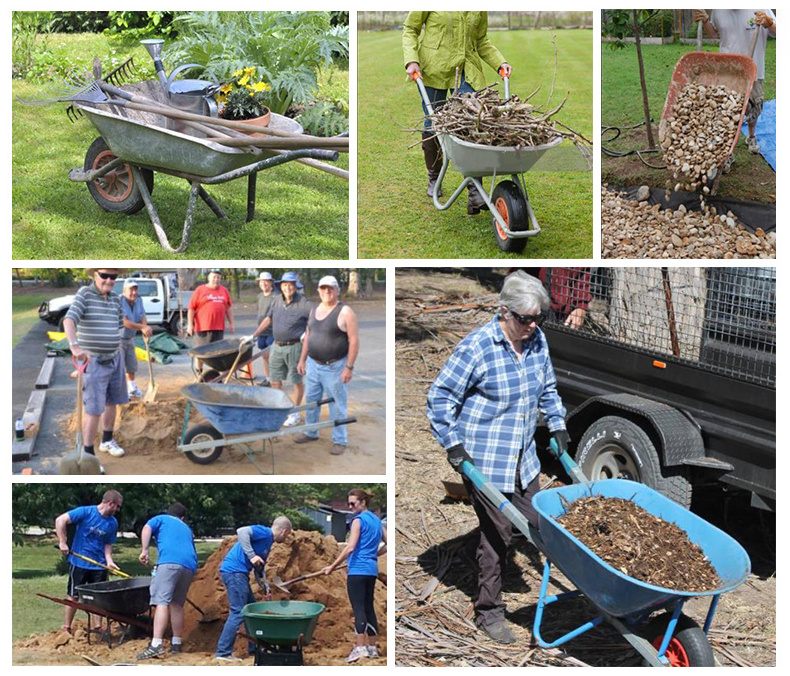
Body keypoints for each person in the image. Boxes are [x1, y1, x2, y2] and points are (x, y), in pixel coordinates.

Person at [426, 271, 569, 644]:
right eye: (525, 318)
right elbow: (440, 398)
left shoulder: (537, 341)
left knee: (540, 521)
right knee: (499, 533)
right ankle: (488, 610)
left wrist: (557, 424)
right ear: (504, 312)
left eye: (539, 317)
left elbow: (549, 388)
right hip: (485, 459)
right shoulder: (477, 348)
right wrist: (453, 446)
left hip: (523, 458)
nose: (533, 325)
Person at [403, 11, 512, 212]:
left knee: (472, 122)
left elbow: (481, 40)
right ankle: (434, 178)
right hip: (434, 66)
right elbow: (411, 29)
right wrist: (411, 60)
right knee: (433, 122)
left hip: (467, 70)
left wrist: (500, 62)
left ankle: (474, 191)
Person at [63, 267, 128, 460]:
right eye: (104, 275)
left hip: (115, 358)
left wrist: (117, 346)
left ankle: (107, 441)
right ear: (94, 275)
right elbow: (69, 321)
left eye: (113, 276)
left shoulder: (116, 298)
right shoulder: (85, 294)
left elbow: (119, 326)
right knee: (93, 409)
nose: (109, 280)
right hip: (94, 361)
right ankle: (88, 454)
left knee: (112, 402)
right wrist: (74, 346)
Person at [695, 9, 776, 155]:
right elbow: (714, 34)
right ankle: (727, 148)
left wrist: (769, 23)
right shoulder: (719, 10)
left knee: (754, 106)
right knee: (727, 109)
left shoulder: (761, 7)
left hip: (754, 68)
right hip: (727, 70)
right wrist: (706, 20)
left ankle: (751, 136)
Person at [295, 275, 359, 455]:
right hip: (313, 365)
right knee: (311, 401)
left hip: (335, 367)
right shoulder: (314, 309)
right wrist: (302, 359)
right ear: (318, 290)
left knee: (337, 404)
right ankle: (310, 432)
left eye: (331, 288)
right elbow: (308, 336)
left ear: (338, 290)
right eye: (323, 288)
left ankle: (340, 440)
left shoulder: (345, 311)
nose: (327, 292)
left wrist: (349, 367)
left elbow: (353, 341)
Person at [214, 517, 293, 662]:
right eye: (287, 535)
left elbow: (258, 568)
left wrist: (265, 586)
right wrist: (252, 556)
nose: (286, 538)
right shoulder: (264, 532)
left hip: (240, 574)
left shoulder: (268, 542)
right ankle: (223, 652)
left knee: (251, 611)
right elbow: (242, 531)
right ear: (284, 531)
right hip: (234, 572)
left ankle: (254, 648)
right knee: (238, 611)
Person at [322, 489, 386, 663]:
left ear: (363, 502)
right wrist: (373, 555)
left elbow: (350, 547)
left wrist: (332, 566)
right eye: (348, 503)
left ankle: (359, 648)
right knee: (368, 607)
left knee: (358, 609)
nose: (350, 507)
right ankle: (372, 648)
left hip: (357, 570)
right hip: (371, 570)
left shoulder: (357, 521)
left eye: (353, 503)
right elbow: (389, 544)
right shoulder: (376, 520)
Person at [245, 272, 312, 427]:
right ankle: (281, 408)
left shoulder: (304, 303)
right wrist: (254, 335)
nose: (287, 288)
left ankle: (295, 412)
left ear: (295, 287)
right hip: (277, 346)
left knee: (296, 380)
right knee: (275, 380)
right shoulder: (276, 301)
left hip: (295, 346)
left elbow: (314, 321)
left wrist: (307, 336)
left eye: (290, 285)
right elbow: (268, 319)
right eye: (285, 285)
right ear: (280, 286)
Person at [55, 489, 123, 634]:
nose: (118, 509)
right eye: (117, 506)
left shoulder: (113, 523)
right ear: (110, 503)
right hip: (79, 563)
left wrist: (109, 561)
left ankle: (97, 628)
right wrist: (62, 542)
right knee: (73, 596)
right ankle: (67, 627)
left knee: (98, 598)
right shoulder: (86, 512)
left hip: (99, 566)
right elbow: (60, 520)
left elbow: (108, 544)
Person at [137, 503, 198, 660]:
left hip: (170, 562)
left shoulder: (161, 518)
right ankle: (176, 643)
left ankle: (156, 645)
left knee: (161, 602)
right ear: (182, 518)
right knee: (177, 604)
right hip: (189, 566)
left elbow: (146, 528)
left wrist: (144, 550)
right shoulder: (187, 529)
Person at [187, 269, 234, 370]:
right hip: (202, 328)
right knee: (200, 353)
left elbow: (228, 308)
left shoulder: (224, 290)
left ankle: (215, 375)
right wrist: (190, 325)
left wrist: (231, 323)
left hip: (218, 328)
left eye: (218, 277)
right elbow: (191, 309)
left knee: (217, 353)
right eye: (214, 277)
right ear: (209, 277)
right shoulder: (200, 290)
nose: (216, 279)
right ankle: (199, 375)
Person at [120, 278, 153, 398]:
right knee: (119, 367)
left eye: (135, 289)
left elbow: (142, 315)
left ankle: (132, 388)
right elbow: (124, 322)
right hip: (118, 339)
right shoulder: (119, 300)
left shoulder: (139, 300)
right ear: (124, 290)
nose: (133, 292)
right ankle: (121, 391)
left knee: (131, 365)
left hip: (130, 338)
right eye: (131, 289)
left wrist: (145, 327)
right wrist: (142, 327)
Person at [256, 272, 276, 384]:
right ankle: (268, 378)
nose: (263, 283)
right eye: (261, 281)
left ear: (271, 282)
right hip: (261, 332)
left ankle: (275, 380)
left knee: (272, 357)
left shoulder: (276, 296)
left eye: (266, 281)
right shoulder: (259, 296)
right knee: (264, 356)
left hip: (272, 332)